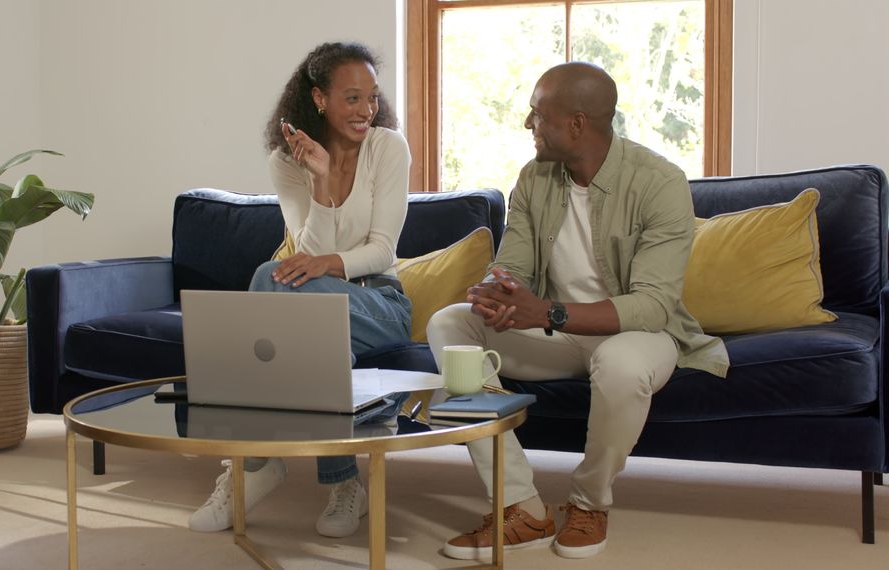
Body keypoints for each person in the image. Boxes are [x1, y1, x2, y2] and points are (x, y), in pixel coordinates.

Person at [426, 62, 730, 560]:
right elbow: (514, 266)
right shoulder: (534, 177)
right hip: (553, 336)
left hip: (637, 334)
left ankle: (589, 502)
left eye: (538, 115)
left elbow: (652, 306)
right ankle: (519, 505)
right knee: (448, 324)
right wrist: (494, 292)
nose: (529, 124)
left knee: (621, 363)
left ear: (576, 124)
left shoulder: (659, 183)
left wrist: (545, 312)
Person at [188, 42, 413, 539]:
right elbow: (305, 256)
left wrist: (326, 263)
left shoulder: (388, 148)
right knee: (299, 311)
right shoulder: (286, 163)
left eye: (372, 98)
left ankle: (252, 463)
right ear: (318, 99)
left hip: (379, 304)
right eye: (352, 98)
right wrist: (323, 183)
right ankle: (340, 481)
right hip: (318, 306)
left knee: (272, 280)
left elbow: (379, 252)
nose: (366, 110)